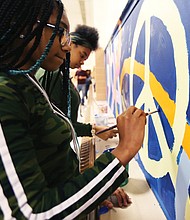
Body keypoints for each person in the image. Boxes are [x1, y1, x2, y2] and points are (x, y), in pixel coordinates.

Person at [0, 1, 146, 220]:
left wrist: (88, 195)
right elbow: (32, 213)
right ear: (24, 26)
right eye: (61, 32)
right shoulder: (6, 94)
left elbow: (52, 169)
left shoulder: (25, 82)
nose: (66, 46)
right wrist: (124, 151)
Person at [37, 24, 117, 140]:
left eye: (85, 59)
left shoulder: (60, 74)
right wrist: (91, 130)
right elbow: (53, 125)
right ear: (71, 45)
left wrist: (94, 129)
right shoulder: (51, 76)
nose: (82, 62)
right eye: (82, 55)